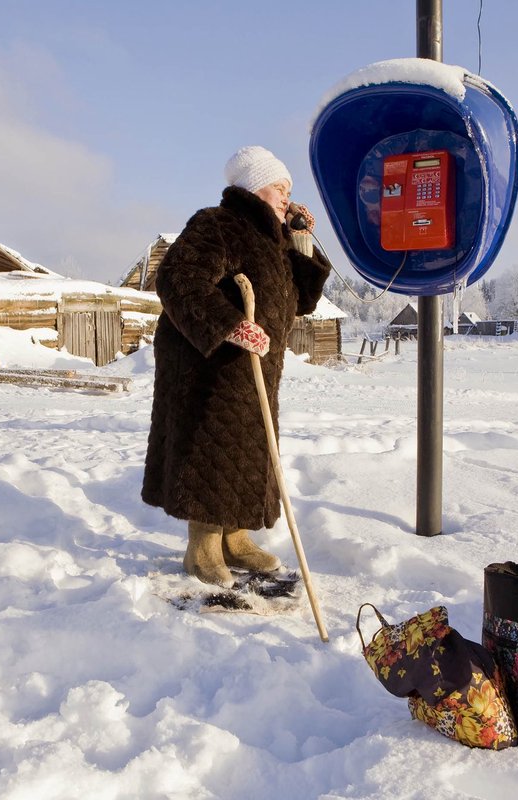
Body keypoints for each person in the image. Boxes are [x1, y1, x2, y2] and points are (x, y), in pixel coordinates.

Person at [142, 145, 332, 586]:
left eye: (289, 189)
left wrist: (300, 240)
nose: (287, 196)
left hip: (257, 366)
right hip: (210, 364)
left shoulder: (275, 239)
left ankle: (236, 538)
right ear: (252, 185)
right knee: (213, 447)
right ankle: (202, 548)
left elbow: (303, 301)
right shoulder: (217, 223)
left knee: (250, 449)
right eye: (278, 187)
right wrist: (229, 326)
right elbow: (178, 278)